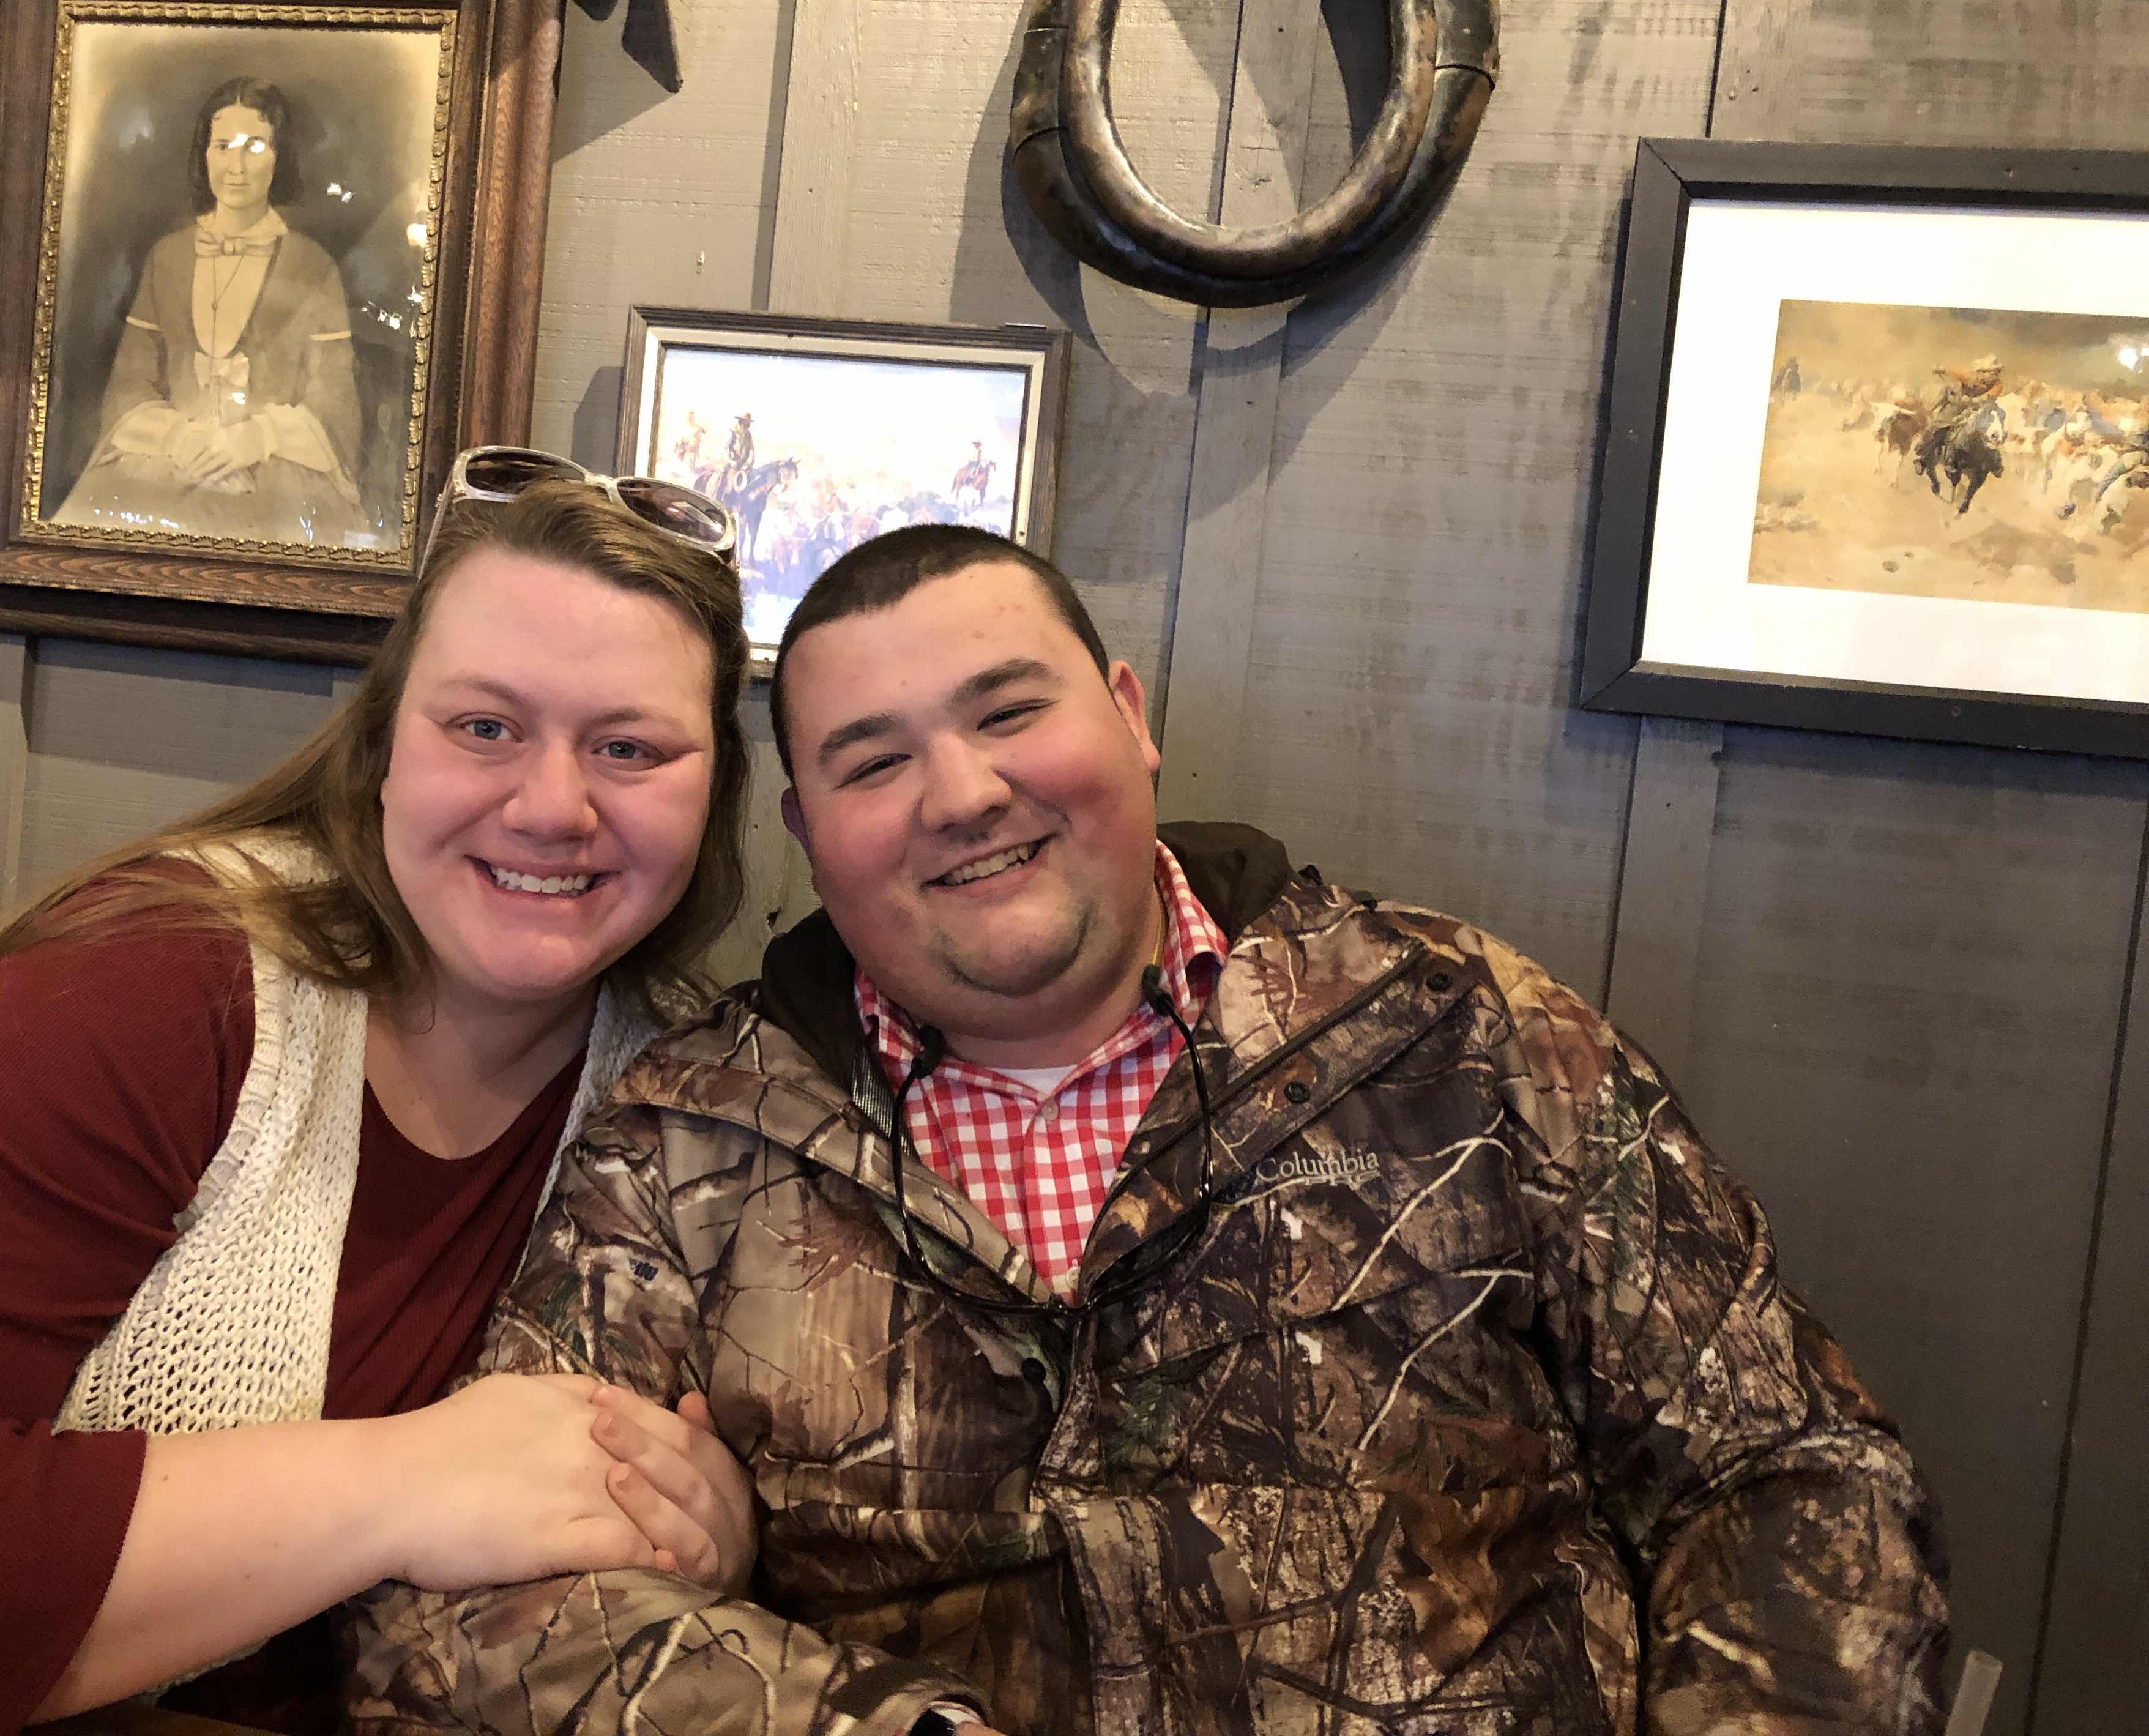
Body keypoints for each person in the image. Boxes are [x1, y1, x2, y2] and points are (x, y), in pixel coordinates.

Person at [348, 523, 1952, 1735]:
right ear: (807, 833)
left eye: (1007, 712)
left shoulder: (1460, 1031)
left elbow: (1791, 1467)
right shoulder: (690, 1136)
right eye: (872, 761)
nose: (960, 793)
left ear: (1128, 714)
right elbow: (456, 1619)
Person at [0, 453, 765, 1735]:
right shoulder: (151, 982)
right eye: (484, 727)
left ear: (717, 793)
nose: (552, 806)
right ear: (384, 744)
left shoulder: (700, 1097)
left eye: (630, 747)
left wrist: (713, 1536)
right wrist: (402, 1482)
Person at [48, 76, 373, 547]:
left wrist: (256, 439)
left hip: (275, 468)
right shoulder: (167, 256)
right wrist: (179, 439)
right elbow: (131, 381)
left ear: (279, 157)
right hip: (171, 457)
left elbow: (335, 399)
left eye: (254, 147)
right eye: (223, 147)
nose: (236, 167)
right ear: (204, 155)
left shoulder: (313, 265)